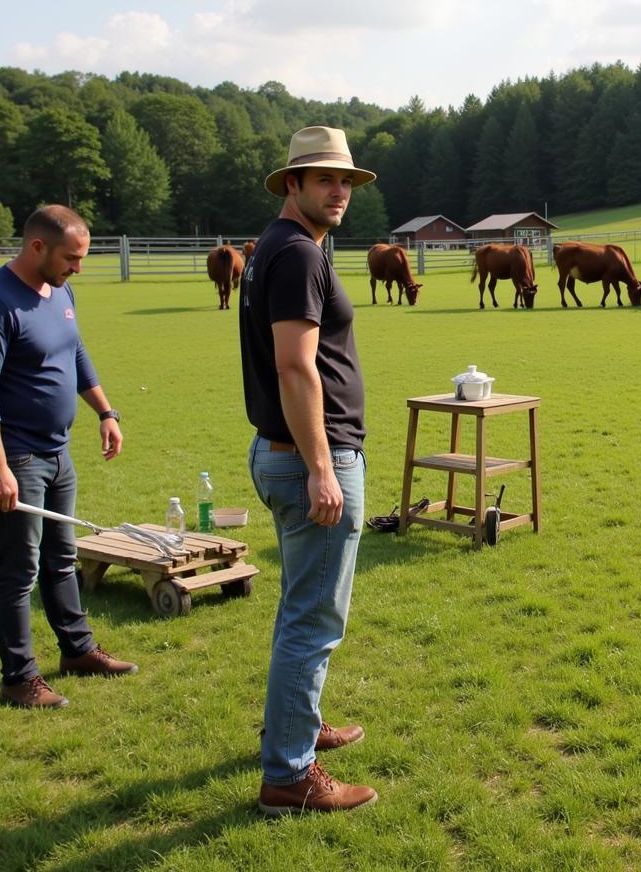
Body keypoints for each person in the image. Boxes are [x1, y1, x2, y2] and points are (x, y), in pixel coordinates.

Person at [239, 126, 378, 815]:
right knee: (313, 619)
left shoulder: (280, 248)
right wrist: (324, 467)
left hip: (288, 453)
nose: (339, 190)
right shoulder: (295, 255)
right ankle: (290, 775)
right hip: (307, 459)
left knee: (302, 606)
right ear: (291, 183)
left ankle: (299, 726)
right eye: (324, 178)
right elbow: (296, 366)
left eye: (346, 180)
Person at [0, 205, 138, 710]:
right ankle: (19, 678)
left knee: (61, 560)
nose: (79, 269)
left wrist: (105, 411)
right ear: (37, 247)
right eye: (72, 258)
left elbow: (75, 351)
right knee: (18, 570)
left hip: (57, 451)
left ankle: (78, 651)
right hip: (16, 459)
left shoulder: (59, 290)